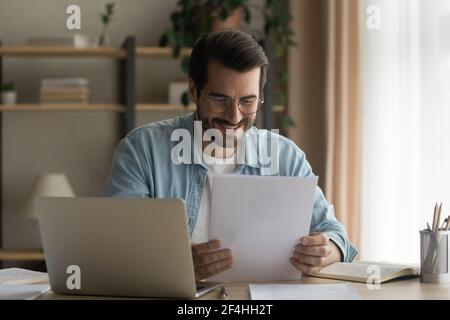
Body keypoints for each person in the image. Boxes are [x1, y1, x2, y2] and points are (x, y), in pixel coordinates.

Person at [104, 30, 357, 281]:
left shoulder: (285, 156)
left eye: (248, 102)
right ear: (194, 89)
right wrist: (175, 263)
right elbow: (116, 247)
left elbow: (335, 235)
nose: (234, 117)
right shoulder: (141, 150)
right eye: (220, 100)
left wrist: (326, 251)